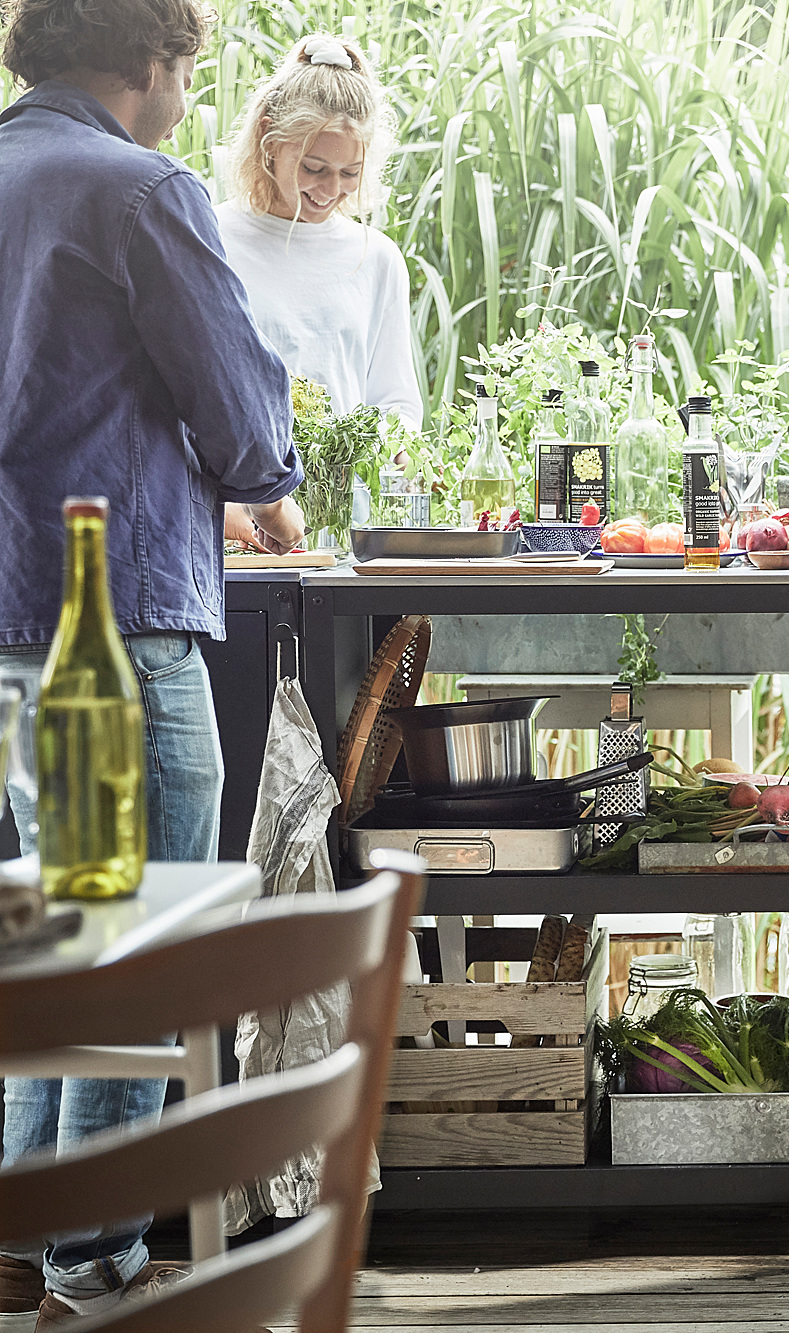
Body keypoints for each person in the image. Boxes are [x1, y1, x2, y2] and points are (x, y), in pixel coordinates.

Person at [0, 0, 302, 1320]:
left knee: (56, 927)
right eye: (187, 67)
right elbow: (238, 412)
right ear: (146, 61)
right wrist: (268, 479)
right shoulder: (142, 189)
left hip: (7, 617)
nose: (187, 92)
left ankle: (25, 1225)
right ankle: (101, 1258)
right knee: (142, 928)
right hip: (114, 608)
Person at [214, 33, 421, 426]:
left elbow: (396, 399)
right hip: (246, 488)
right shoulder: (214, 238)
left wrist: (399, 444)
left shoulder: (377, 257)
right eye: (314, 168)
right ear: (269, 139)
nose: (330, 191)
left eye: (350, 173)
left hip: (347, 487)